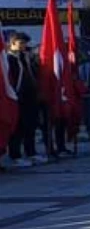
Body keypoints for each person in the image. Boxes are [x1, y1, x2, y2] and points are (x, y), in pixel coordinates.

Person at [6, 33, 46, 167]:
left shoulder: (26, 57)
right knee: (18, 128)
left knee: (31, 125)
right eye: (20, 43)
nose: (23, 45)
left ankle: (31, 152)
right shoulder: (8, 59)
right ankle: (15, 155)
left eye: (24, 43)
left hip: (30, 96)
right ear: (13, 43)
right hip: (17, 97)